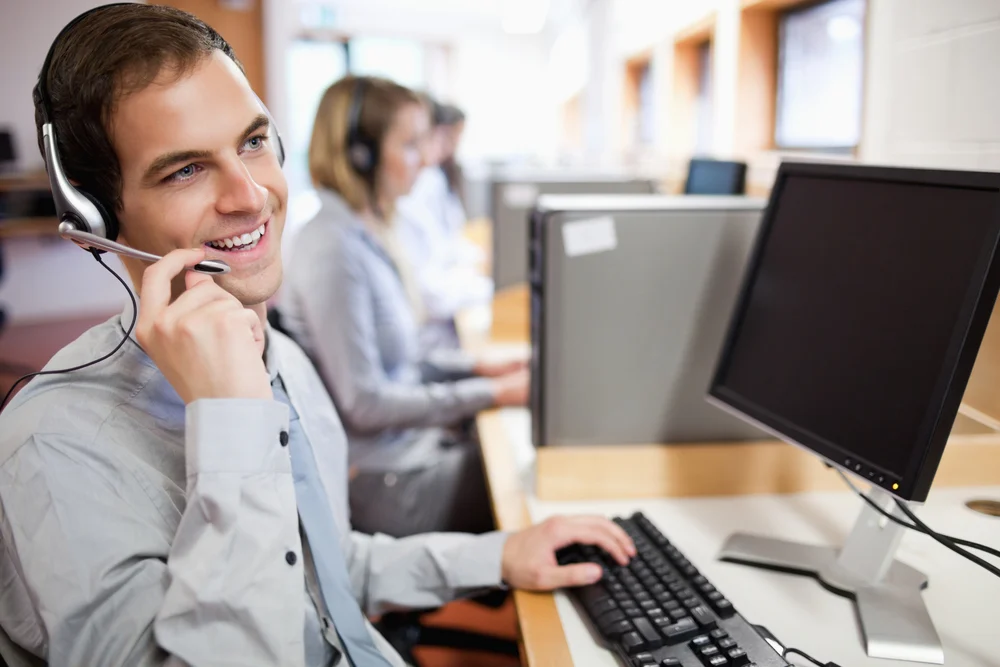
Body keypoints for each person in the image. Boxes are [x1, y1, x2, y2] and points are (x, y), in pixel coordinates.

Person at [0, 6, 635, 666]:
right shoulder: (53, 452)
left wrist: (497, 552)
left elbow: (322, 567)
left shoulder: (282, 358)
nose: (251, 195)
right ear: (98, 216)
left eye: (252, 142)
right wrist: (233, 425)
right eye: (184, 169)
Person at [280, 77, 525, 538]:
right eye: (411, 145)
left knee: (512, 449)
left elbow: (406, 362)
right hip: (386, 483)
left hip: (412, 452)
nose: (428, 159)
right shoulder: (333, 249)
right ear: (361, 154)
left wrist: (483, 370)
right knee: (521, 480)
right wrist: (492, 393)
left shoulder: (366, 231)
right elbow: (366, 402)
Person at [395, 100, 490, 350]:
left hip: (438, 325)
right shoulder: (412, 192)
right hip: (428, 336)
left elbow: (446, 245)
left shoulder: (437, 178)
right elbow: (430, 292)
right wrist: (489, 288)